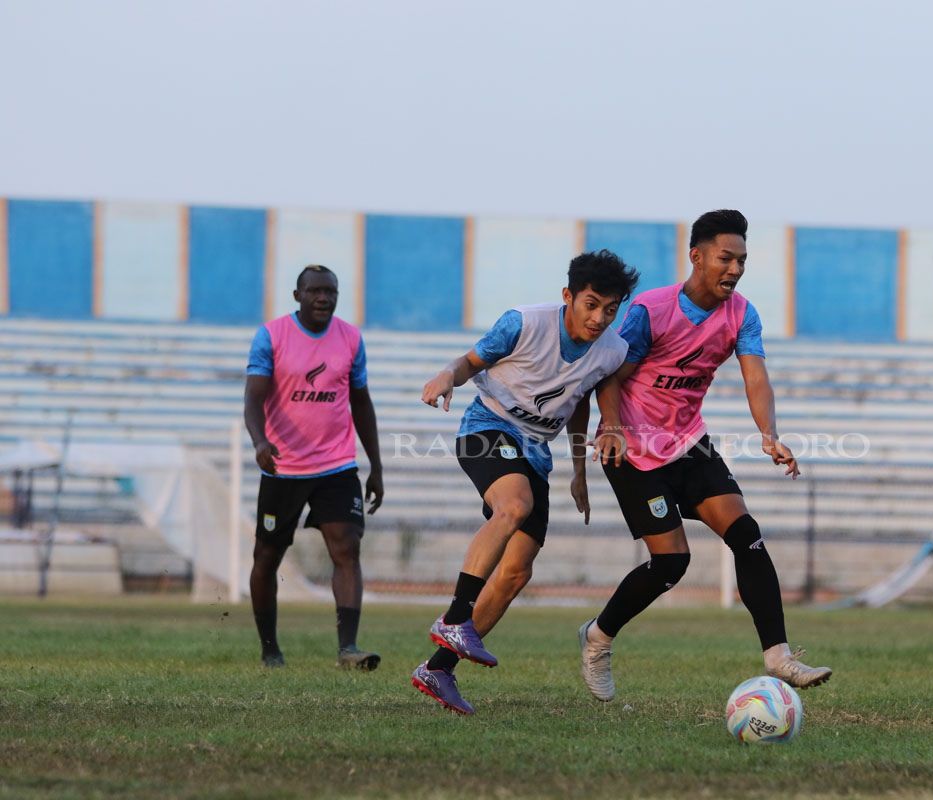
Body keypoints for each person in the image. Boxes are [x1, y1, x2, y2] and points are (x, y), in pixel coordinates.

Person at [578, 209, 832, 703]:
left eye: (741, 260)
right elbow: (610, 376)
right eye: (725, 258)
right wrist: (610, 428)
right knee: (672, 563)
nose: (734, 269)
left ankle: (778, 657)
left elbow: (755, 377)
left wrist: (769, 434)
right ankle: (597, 638)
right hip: (632, 449)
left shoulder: (742, 314)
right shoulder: (651, 310)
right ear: (696, 257)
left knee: (746, 534)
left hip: (689, 442)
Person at [411, 250, 640, 715]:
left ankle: (437, 669)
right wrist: (446, 375)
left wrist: (579, 473)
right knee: (512, 507)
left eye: (610, 309)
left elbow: (582, 400)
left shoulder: (612, 350)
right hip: (486, 427)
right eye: (591, 304)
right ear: (568, 296)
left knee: (516, 571)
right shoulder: (523, 323)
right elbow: (471, 361)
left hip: (536, 452)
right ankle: (456, 617)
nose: (599, 318)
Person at [244, 264, 384, 669]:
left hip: (336, 466)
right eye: (315, 291)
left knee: (347, 547)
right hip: (283, 467)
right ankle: (270, 649)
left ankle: (348, 649)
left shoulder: (351, 338)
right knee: (267, 557)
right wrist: (259, 441)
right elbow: (253, 399)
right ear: (298, 295)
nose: (323, 298)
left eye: (331, 291)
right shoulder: (271, 336)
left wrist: (375, 465)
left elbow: (361, 402)